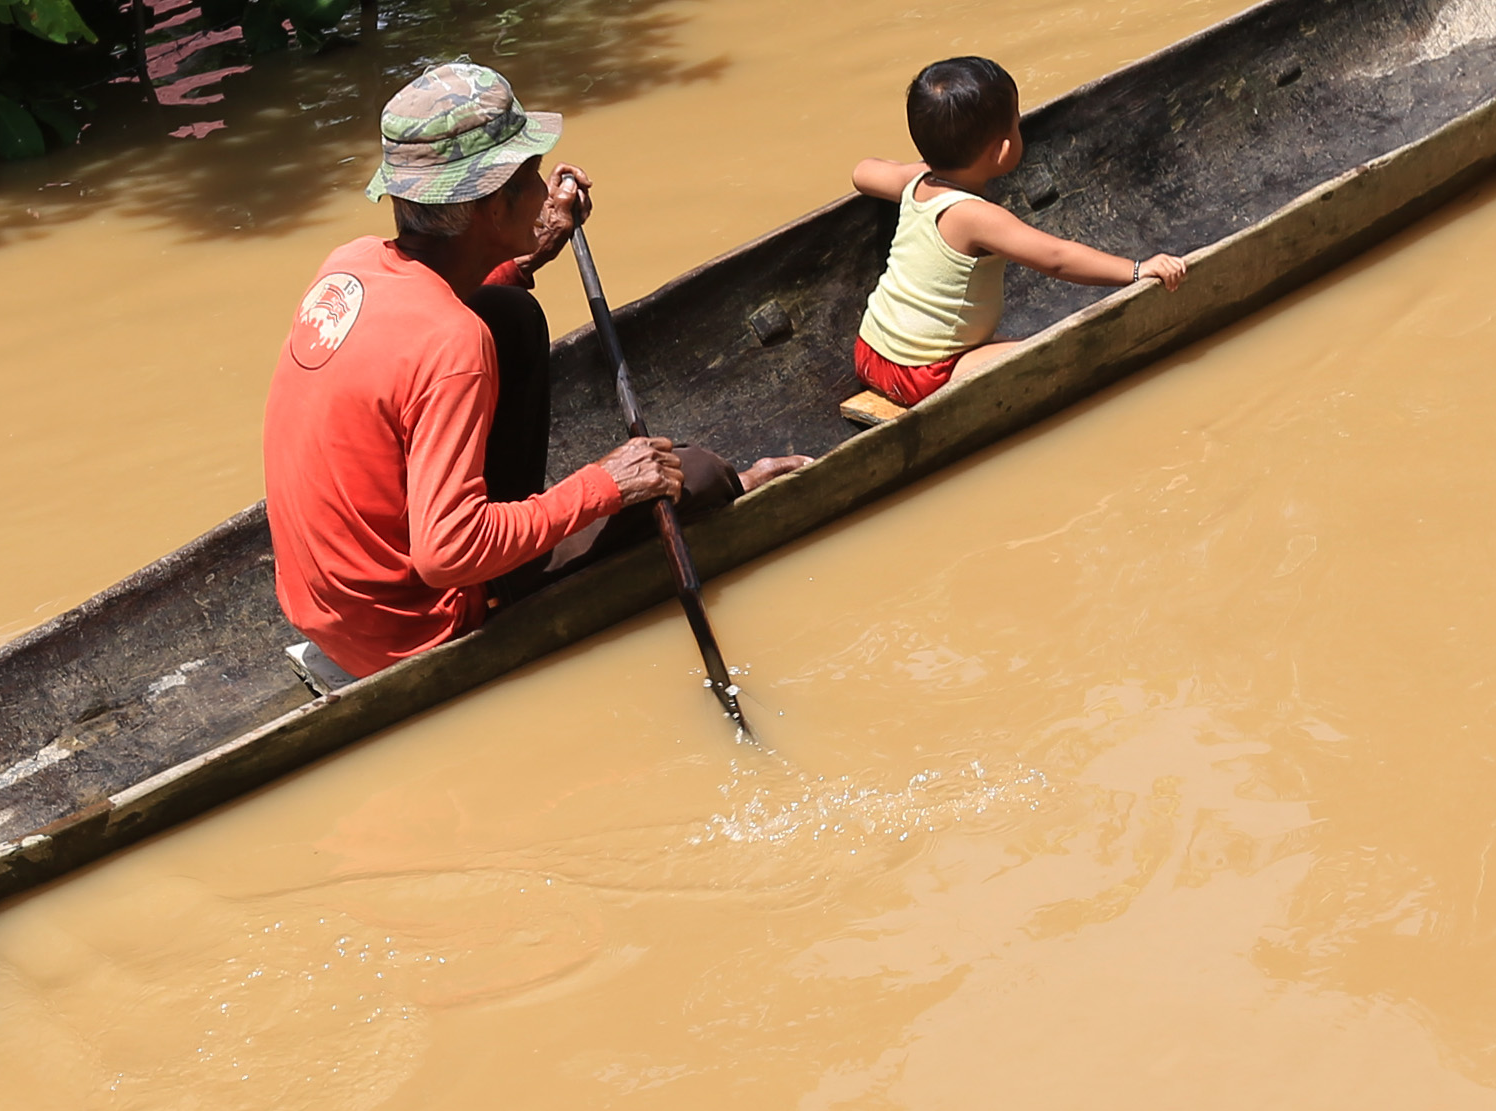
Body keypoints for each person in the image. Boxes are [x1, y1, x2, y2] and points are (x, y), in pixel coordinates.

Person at [265, 61, 804, 684]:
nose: (543, 193)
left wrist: (527, 253)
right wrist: (604, 485)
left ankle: (515, 553)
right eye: (528, 181)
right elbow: (445, 554)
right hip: (413, 627)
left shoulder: (351, 262)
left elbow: (428, 326)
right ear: (495, 207)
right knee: (701, 474)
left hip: (326, 607)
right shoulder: (451, 344)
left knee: (509, 311)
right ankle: (512, 583)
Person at [845, 56, 1190, 413]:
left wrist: (925, 166)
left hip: (869, 352)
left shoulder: (914, 182)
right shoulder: (976, 216)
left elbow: (862, 172)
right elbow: (1057, 259)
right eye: (1016, 124)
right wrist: (1136, 270)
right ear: (1004, 149)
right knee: (1046, 353)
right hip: (921, 374)